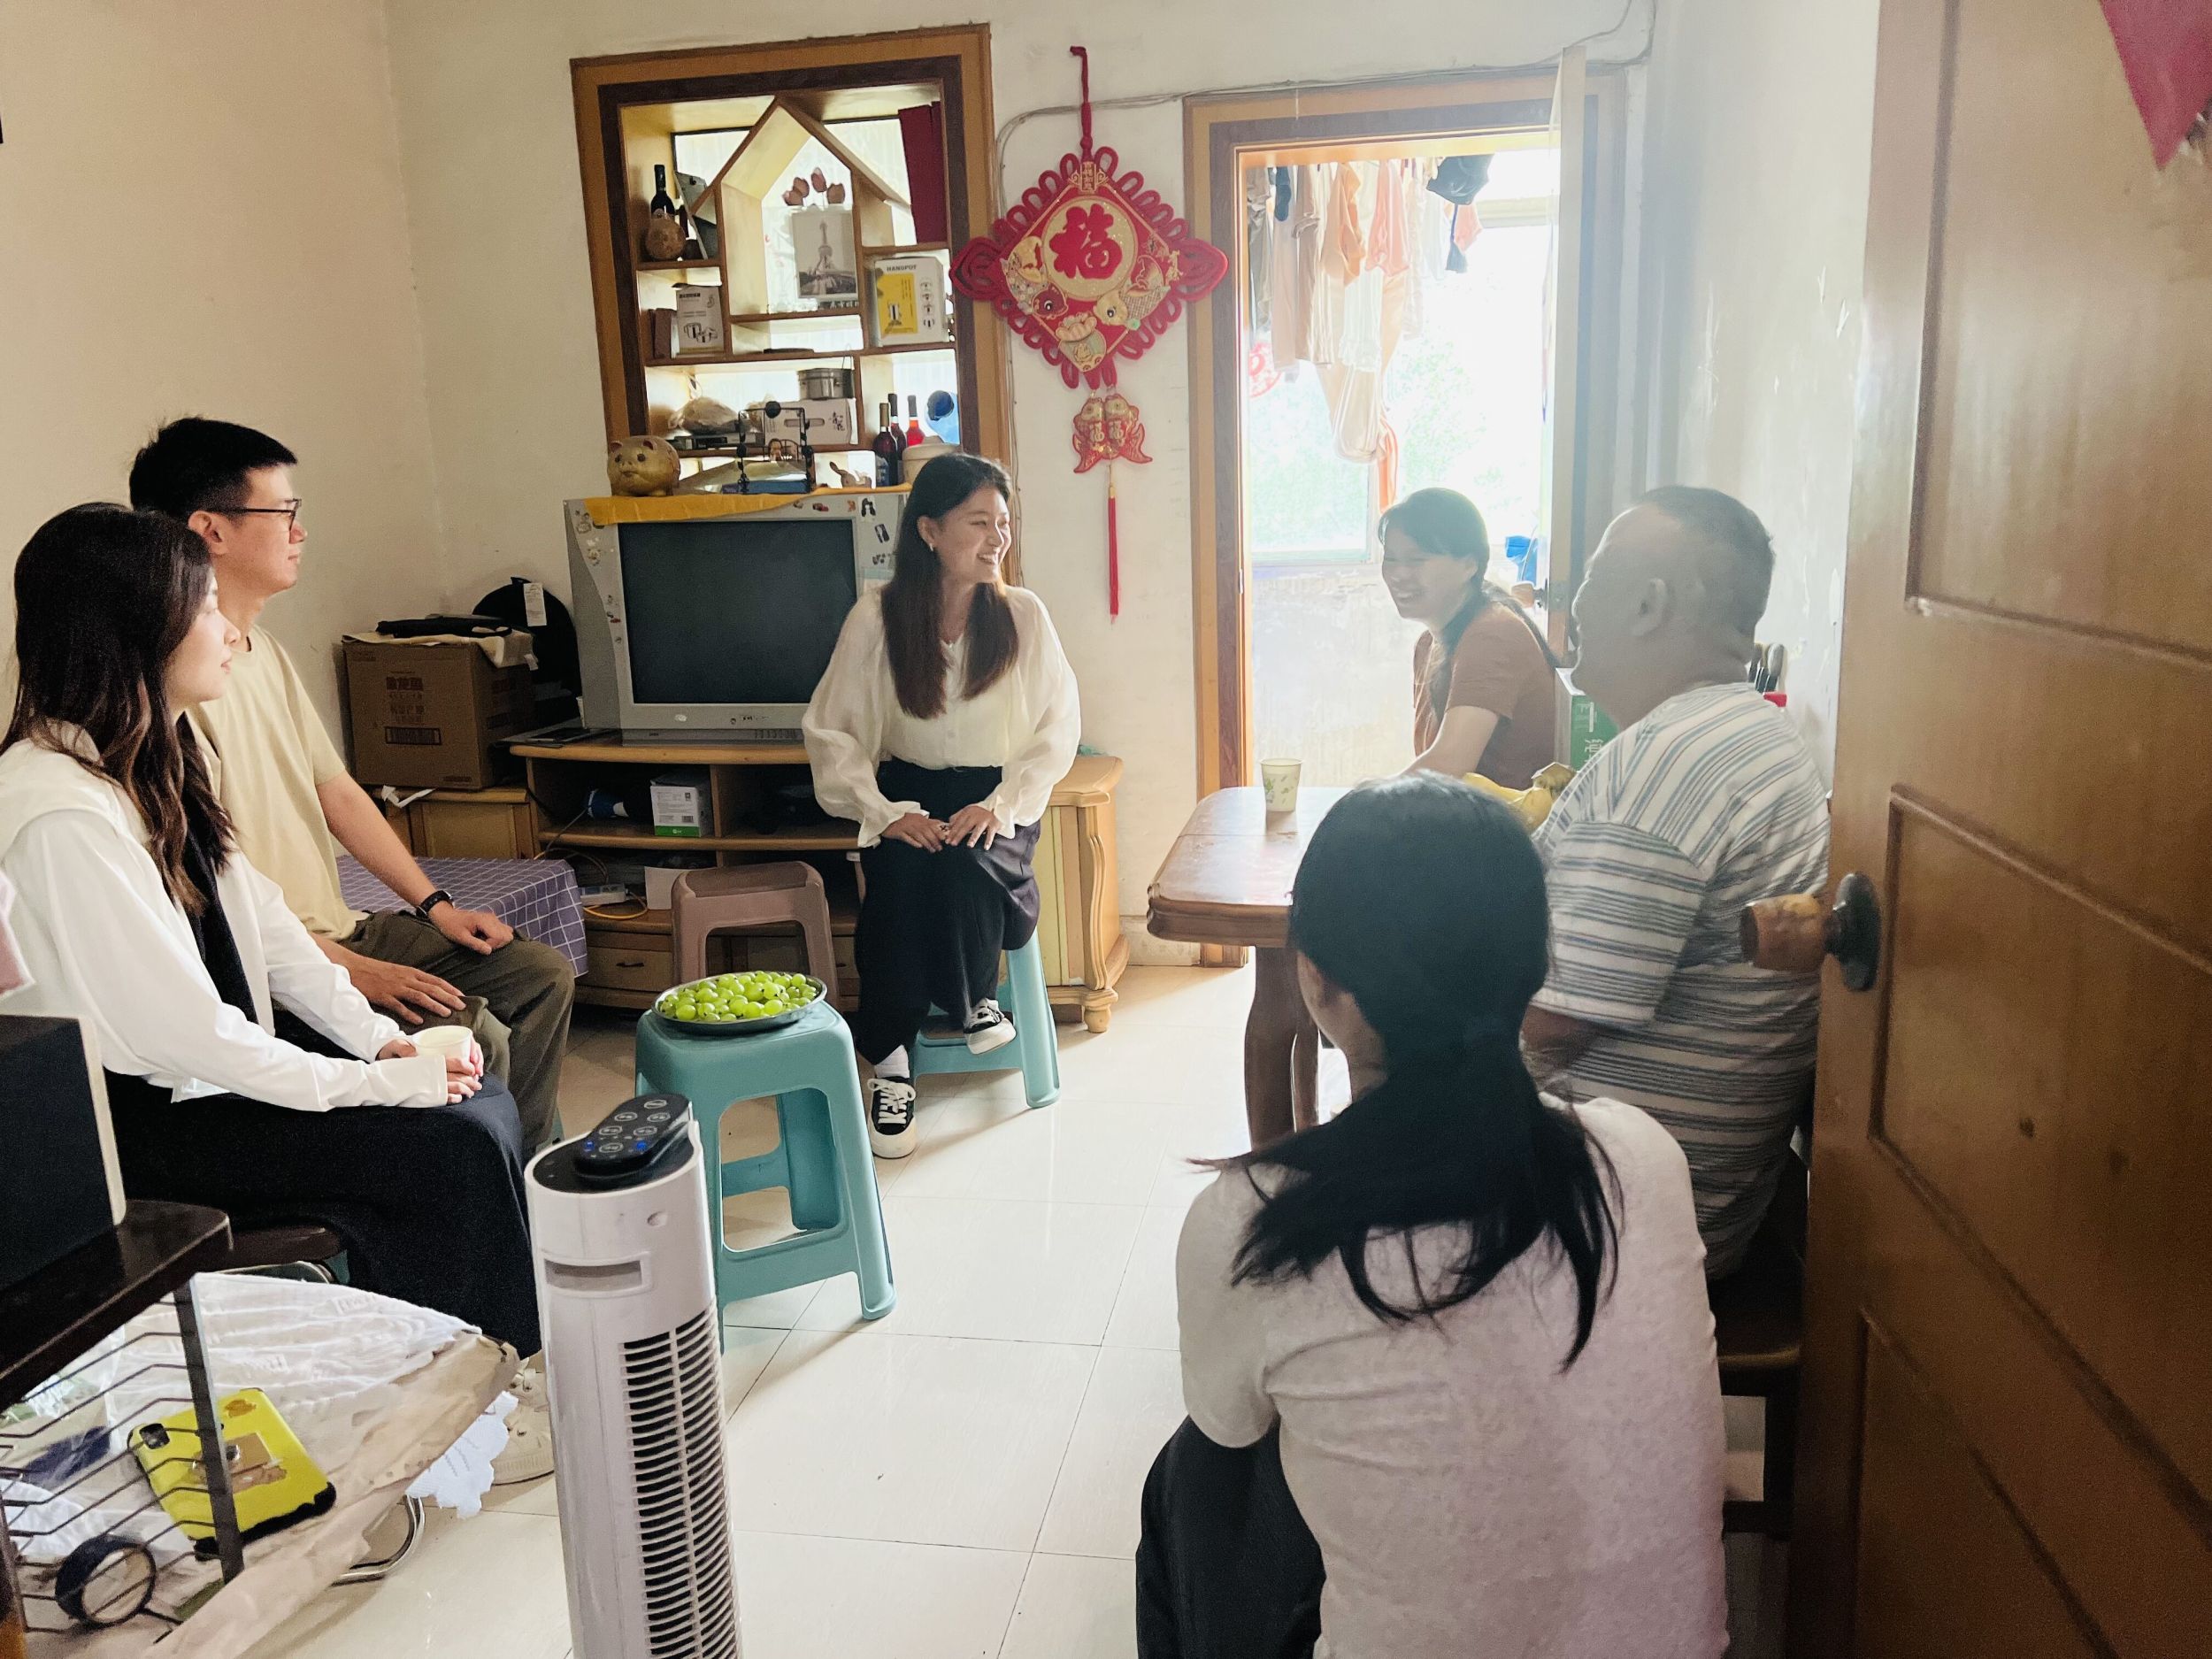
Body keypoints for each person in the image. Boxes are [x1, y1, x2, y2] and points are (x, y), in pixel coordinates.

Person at [1140, 777, 1724, 1659]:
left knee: (1190, 1469)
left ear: (1316, 980)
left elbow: (1227, 1440)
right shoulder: (1640, 1158)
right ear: (1533, 970)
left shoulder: (1254, 1225)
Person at [0, 504, 541, 1356]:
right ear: (138, 631)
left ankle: (473, 1357)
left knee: (474, 1101)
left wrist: (378, 1041)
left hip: (206, 1084)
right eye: (206, 608)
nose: (230, 633)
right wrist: (371, 1084)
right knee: (449, 1143)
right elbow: (185, 1037)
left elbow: (265, 923)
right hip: (140, 1132)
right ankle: (473, 1372)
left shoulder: (153, 756)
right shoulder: (59, 811)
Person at [127, 418, 574, 1150]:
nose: (300, 530)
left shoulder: (263, 652)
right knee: (474, 1035)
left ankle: (517, 1173)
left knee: (540, 973)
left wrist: (435, 906)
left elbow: (337, 792)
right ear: (211, 530)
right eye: (283, 511)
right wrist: (350, 970)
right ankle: (481, 1183)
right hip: (283, 961)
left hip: (340, 928)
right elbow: (216, 904)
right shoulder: (171, 689)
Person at [1523, 486, 1829, 1278]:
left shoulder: (1667, 763)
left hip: (1608, 1219)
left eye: (1592, 577)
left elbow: (1552, 1022)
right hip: (1682, 1196)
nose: (1573, 603)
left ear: (1648, 604)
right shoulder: (1743, 728)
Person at [803, 453, 1079, 1158]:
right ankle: (892, 1065)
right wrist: (883, 810)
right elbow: (831, 730)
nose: (997, 538)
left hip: (996, 795)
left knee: (967, 852)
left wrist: (1001, 803)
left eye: (1003, 523)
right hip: (908, 790)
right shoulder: (877, 616)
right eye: (978, 522)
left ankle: (975, 997)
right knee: (898, 875)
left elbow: (1058, 728)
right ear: (929, 530)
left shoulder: (1022, 614)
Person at [1379, 487, 1557, 787]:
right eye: (1391, 559)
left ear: (1469, 566)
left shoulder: (1493, 635)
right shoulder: (1429, 643)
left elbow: (1450, 764)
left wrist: (1359, 800)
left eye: (1417, 560)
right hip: (1461, 808)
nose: (1398, 574)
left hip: (1503, 816)